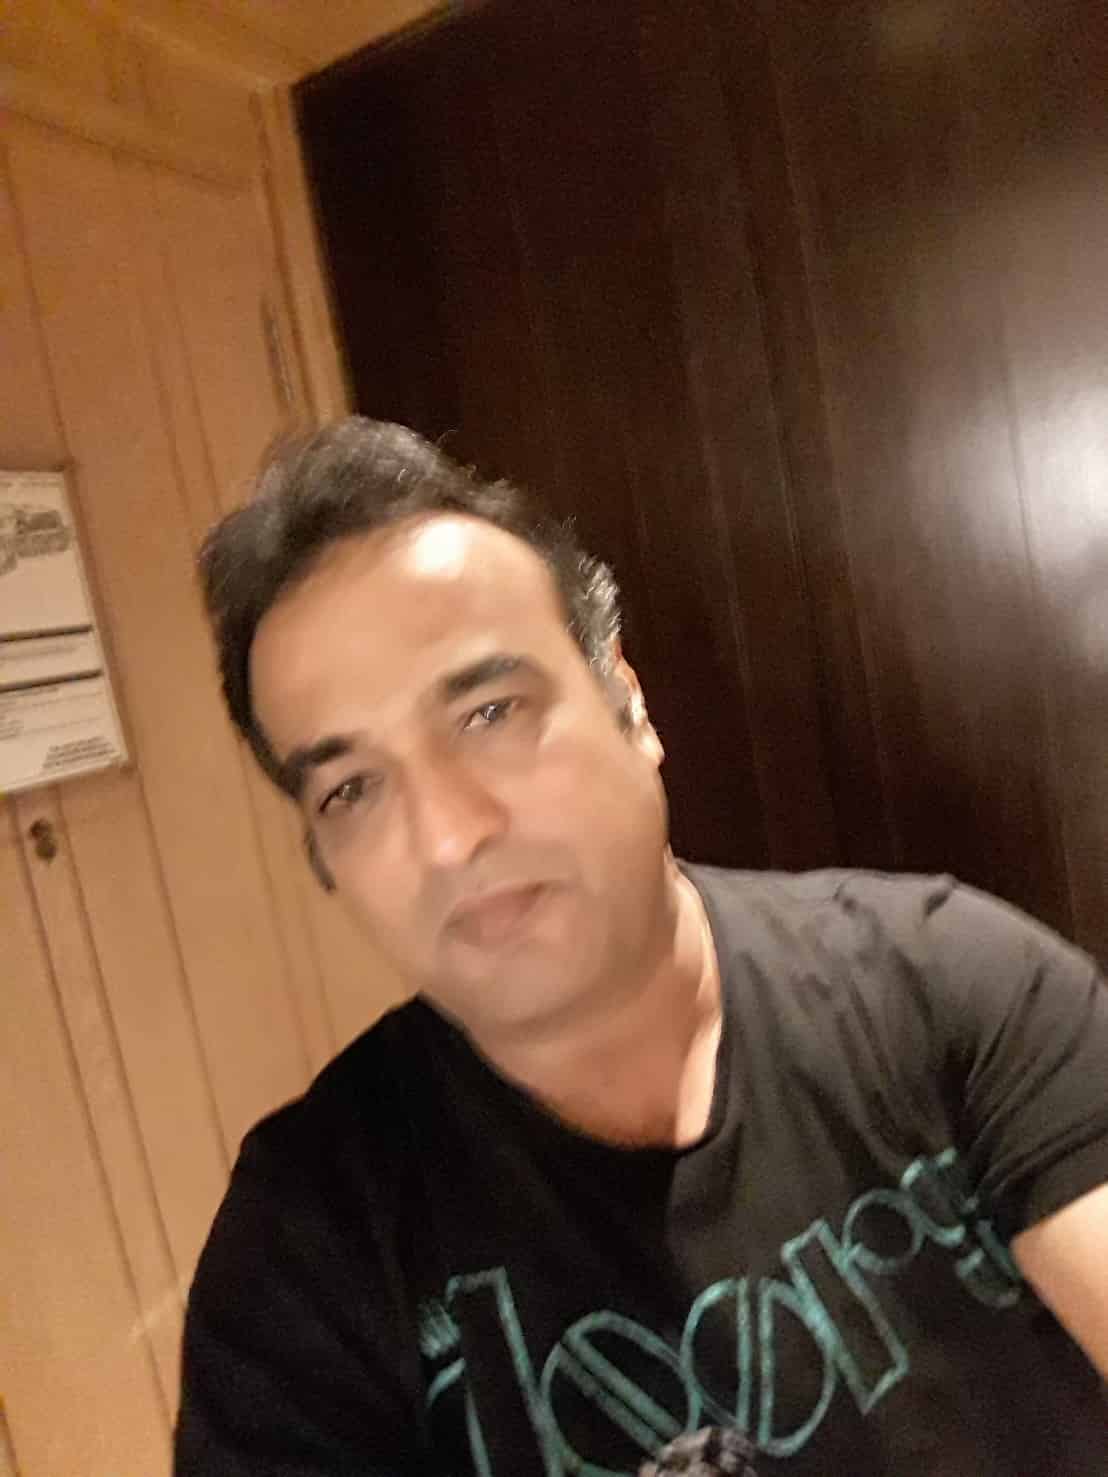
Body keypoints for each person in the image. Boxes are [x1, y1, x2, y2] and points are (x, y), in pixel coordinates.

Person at [175, 417, 1108, 1476]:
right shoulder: (312, 1241)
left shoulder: (945, 986)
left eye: (489, 711)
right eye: (350, 788)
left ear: (628, 702)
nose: (444, 836)